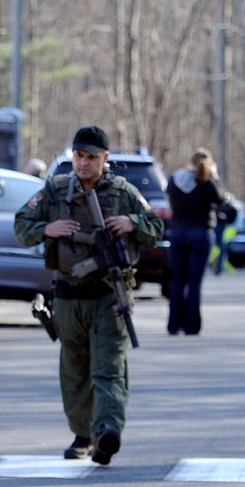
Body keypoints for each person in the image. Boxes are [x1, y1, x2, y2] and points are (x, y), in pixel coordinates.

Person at [14, 126, 163, 464]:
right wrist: (46, 229)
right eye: (79, 156)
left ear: (104, 159)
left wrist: (132, 223)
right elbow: (22, 225)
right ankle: (83, 436)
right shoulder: (55, 190)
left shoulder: (123, 192)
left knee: (109, 368)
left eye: (91, 157)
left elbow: (155, 229)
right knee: (75, 369)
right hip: (68, 297)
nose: (83, 163)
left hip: (109, 296)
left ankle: (107, 431)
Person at [164, 147, 237, 335]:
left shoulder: (175, 180)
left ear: (190, 161)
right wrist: (215, 177)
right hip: (201, 233)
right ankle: (192, 325)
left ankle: (173, 325)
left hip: (178, 233)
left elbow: (169, 198)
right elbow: (223, 200)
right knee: (194, 282)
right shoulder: (208, 183)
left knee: (177, 281)